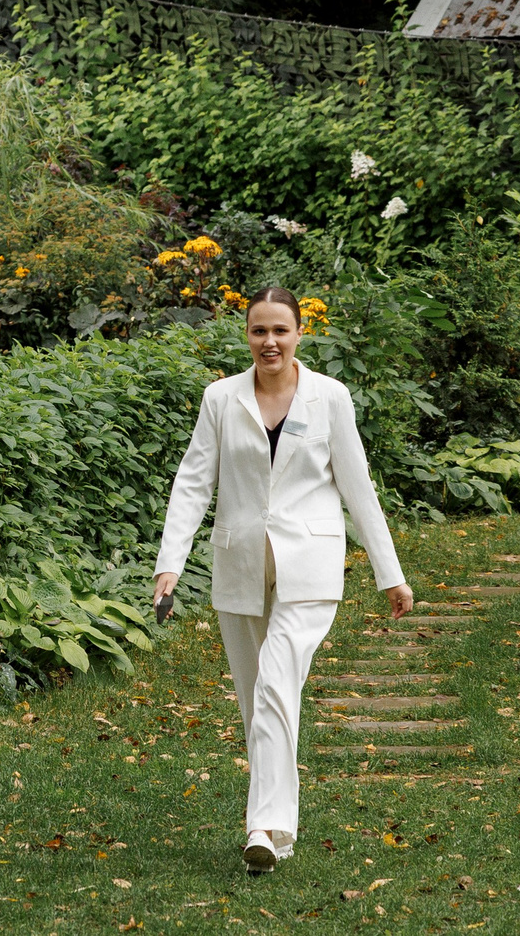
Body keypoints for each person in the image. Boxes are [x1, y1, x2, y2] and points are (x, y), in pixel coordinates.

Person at [151, 285, 413, 876]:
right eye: (258, 331)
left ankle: (259, 827)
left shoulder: (329, 397)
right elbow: (194, 481)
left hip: (310, 568)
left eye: (280, 331)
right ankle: (280, 831)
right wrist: (170, 561)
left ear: (300, 334)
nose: (269, 342)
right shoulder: (221, 398)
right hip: (240, 565)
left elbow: (357, 486)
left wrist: (388, 572)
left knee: (274, 684)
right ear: (247, 336)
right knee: (258, 701)